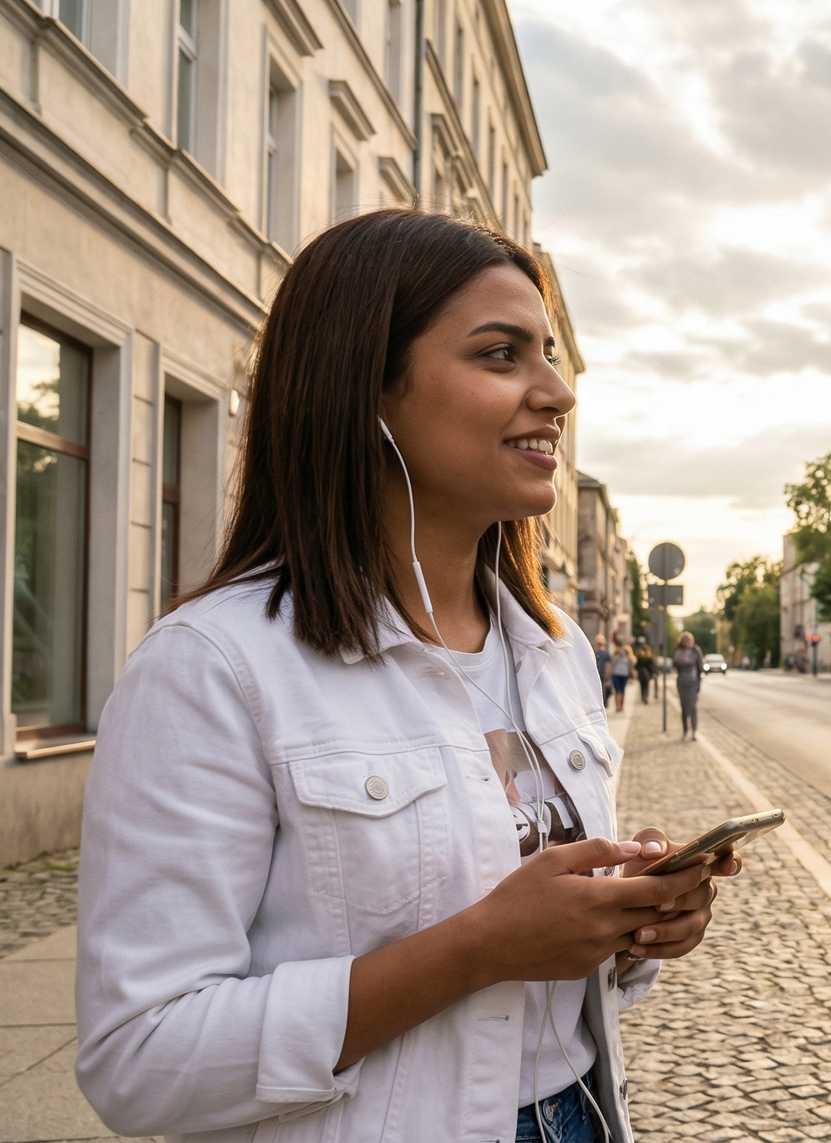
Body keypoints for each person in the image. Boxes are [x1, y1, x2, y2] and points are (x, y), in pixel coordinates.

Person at [72, 210, 742, 1141]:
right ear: (369, 388)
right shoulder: (216, 667)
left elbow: (550, 967)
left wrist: (632, 924)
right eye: (502, 355)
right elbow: (140, 1058)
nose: (556, 392)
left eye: (547, 355)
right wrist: (476, 948)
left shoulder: (555, 655)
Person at [671, 632, 706, 741]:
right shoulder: (678, 651)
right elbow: (674, 665)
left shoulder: (696, 651)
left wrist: (699, 683)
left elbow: (700, 667)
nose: (688, 642)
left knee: (693, 707)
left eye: (690, 640)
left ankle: (694, 731)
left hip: (693, 682)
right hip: (682, 682)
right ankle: (685, 730)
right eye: (686, 640)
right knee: (684, 708)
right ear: (682, 641)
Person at [608, 635, 632, 713]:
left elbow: (631, 662)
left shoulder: (627, 652)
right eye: (619, 645)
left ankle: (621, 706)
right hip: (616, 674)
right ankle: (617, 706)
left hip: (624, 674)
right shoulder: (615, 653)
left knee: (622, 691)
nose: (621, 647)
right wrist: (617, 655)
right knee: (617, 690)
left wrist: (629, 654)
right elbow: (612, 663)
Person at [592, 636, 613, 705]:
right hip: (599, 674)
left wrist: (607, 676)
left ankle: (601, 703)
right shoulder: (595, 653)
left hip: (600, 674)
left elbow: (608, 666)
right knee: (600, 690)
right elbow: (609, 666)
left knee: (600, 690)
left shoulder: (596, 653)